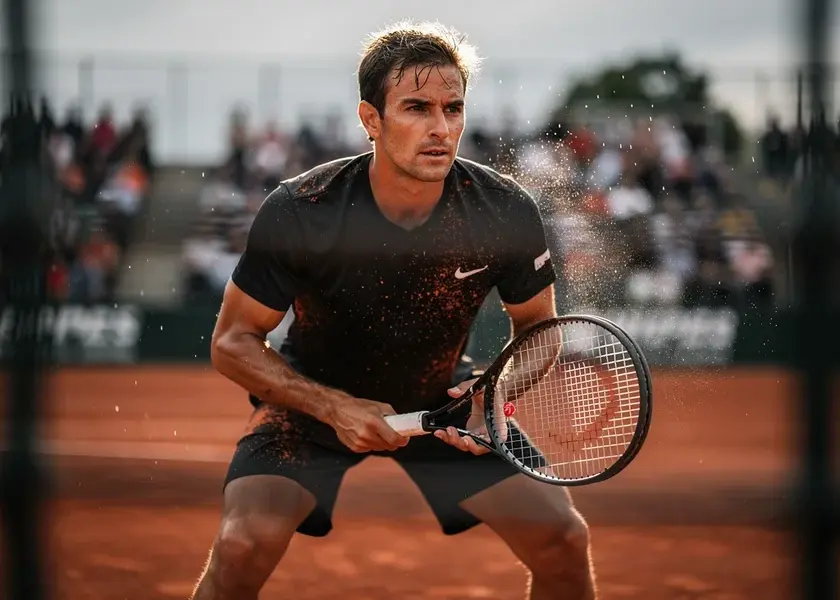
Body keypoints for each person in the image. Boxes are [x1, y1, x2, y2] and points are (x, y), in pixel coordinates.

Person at [190, 21, 597, 600]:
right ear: (371, 119)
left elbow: (539, 329)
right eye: (416, 108)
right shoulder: (303, 210)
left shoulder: (502, 210)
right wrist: (333, 407)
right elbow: (232, 341)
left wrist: (492, 397)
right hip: (309, 404)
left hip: (446, 403)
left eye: (453, 108)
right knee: (241, 546)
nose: (440, 128)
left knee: (562, 539)